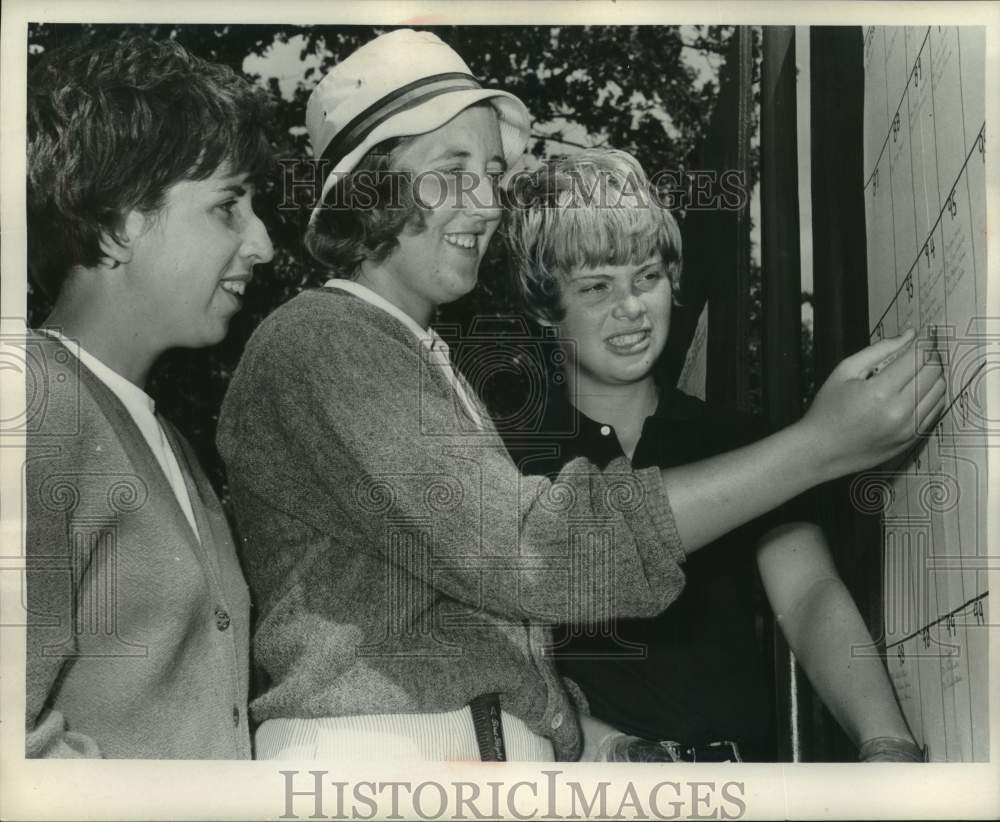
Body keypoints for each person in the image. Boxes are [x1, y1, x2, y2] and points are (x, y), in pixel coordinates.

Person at [217, 28, 943, 762]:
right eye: (452, 168)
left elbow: (488, 619)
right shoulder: (333, 339)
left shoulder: (425, 368)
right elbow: (530, 553)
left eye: (493, 171)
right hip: (399, 760)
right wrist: (818, 446)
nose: (486, 199)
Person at [501, 147, 929, 762]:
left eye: (646, 276)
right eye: (596, 287)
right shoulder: (510, 459)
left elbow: (809, 593)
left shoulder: (740, 440)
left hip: (741, 785)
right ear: (546, 306)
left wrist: (885, 741)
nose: (631, 308)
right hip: (584, 788)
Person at [24, 36, 274, 758]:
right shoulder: (35, 406)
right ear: (117, 223)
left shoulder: (168, 439)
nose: (260, 242)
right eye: (228, 206)